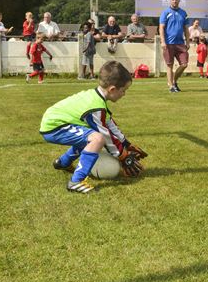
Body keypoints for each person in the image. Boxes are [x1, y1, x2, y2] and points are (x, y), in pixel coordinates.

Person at [39, 61, 148, 194]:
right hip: (54, 126)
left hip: (54, 122)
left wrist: (126, 144)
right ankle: (76, 181)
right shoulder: (95, 107)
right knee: (97, 139)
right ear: (112, 89)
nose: (124, 94)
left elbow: (110, 125)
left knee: (89, 138)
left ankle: (63, 163)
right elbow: (106, 137)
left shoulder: (97, 98)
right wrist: (124, 157)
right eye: (123, 90)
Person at [159, 0, 190, 92]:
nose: (175, 1)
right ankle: (171, 87)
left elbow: (186, 29)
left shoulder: (183, 13)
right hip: (168, 44)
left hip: (180, 43)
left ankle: (174, 81)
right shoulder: (165, 12)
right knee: (169, 65)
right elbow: (161, 28)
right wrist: (163, 41)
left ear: (179, 0)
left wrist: (188, 42)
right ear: (170, 0)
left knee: (184, 64)